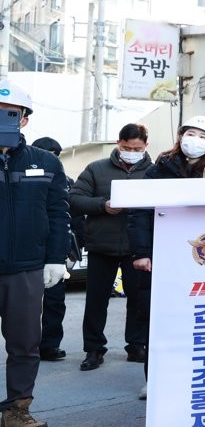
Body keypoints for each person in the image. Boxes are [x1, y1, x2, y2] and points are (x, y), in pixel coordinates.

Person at [128, 116, 205, 400]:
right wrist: (142, 252)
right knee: (159, 318)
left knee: (197, 320)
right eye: (191, 133)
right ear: (180, 137)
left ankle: (193, 377)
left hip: (201, 255)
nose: (196, 140)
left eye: (203, 137)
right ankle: (153, 378)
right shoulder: (160, 169)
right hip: (162, 252)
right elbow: (140, 211)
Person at [0, 82, 69, 427]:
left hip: (26, 268)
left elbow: (58, 213)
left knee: (25, 342)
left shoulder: (46, 163)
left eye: (10, 113)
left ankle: (17, 410)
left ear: (24, 120)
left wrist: (55, 258)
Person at [70, 123, 153, 372]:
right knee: (96, 301)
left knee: (139, 300)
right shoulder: (97, 168)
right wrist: (102, 205)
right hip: (101, 244)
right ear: (119, 143)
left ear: (145, 146)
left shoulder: (154, 171)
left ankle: (137, 345)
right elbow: (74, 198)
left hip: (137, 247)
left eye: (137, 148)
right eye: (127, 147)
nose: (131, 152)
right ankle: (94, 349)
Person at [31, 136, 74, 362]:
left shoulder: (65, 180)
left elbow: (69, 215)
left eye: (56, 155)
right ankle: (26, 347)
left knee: (55, 302)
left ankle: (50, 345)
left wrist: (72, 247)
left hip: (55, 251)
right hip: (27, 250)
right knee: (22, 305)